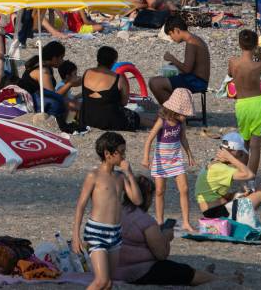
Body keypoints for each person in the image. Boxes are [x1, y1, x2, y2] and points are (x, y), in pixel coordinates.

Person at [118, 174, 215, 286]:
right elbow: (161, 255)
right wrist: (166, 237)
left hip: (116, 270)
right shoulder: (145, 221)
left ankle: (207, 275)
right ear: (147, 197)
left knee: (179, 269)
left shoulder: (116, 212)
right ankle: (220, 278)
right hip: (140, 271)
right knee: (184, 271)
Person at [72, 131, 140, 290]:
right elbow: (81, 205)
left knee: (109, 282)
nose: (124, 156)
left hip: (115, 233)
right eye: (121, 152)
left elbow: (137, 200)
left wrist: (129, 174)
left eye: (124, 152)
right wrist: (75, 236)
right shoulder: (93, 176)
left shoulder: (121, 177)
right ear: (108, 154)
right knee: (101, 281)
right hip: (96, 232)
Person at [141, 88, 197, 233]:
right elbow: (149, 139)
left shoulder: (181, 122)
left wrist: (189, 154)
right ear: (175, 110)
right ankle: (159, 221)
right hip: (161, 158)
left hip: (176, 157)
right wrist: (146, 158)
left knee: (184, 189)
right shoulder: (162, 121)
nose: (185, 116)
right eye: (183, 113)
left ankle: (186, 222)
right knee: (159, 191)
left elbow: (183, 138)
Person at [226, 29, 261, 177]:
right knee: (256, 146)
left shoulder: (233, 62)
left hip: (242, 104)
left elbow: (230, 74)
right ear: (255, 45)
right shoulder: (258, 65)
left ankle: (242, 173)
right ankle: (251, 178)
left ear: (240, 44)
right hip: (257, 104)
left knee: (244, 143)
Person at [82, 46, 145, 131]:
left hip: (87, 118)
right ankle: (160, 125)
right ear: (114, 61)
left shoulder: (87, 72)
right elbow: (124, 102)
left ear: (98, 59)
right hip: (110, 120)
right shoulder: (119, 78)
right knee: (137, 117)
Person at [17, 41, 76, 122]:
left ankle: (71, 120)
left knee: (71, 102)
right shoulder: (43, 71)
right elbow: (54, 96)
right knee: (71, 104)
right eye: (61, 58)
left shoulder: (40, 63)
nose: (62, 61)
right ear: (54, 58)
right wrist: (70, 83)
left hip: (34, 99)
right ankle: (70, 122)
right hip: (30, 104)